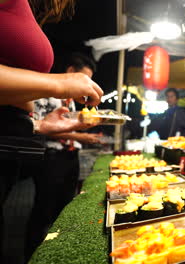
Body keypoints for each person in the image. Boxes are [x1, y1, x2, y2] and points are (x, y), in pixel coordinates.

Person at [0, 0, 102, 261]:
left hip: (12, 148)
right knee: (42, 211)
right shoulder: (58, 88)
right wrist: (58, 84)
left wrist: (38, 125)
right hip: (46, 158)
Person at [24, 53, 104, 260]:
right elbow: (39, 126)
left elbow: (67, 124)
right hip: (51, 157)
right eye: (83, 78)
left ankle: (59, 250)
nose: (86, 85)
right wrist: (81, 136)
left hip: (71, 156)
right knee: (44, 208)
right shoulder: (46, 90)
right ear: (70, 71)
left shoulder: (73, 99)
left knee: (66, 206)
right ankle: (32, 254)